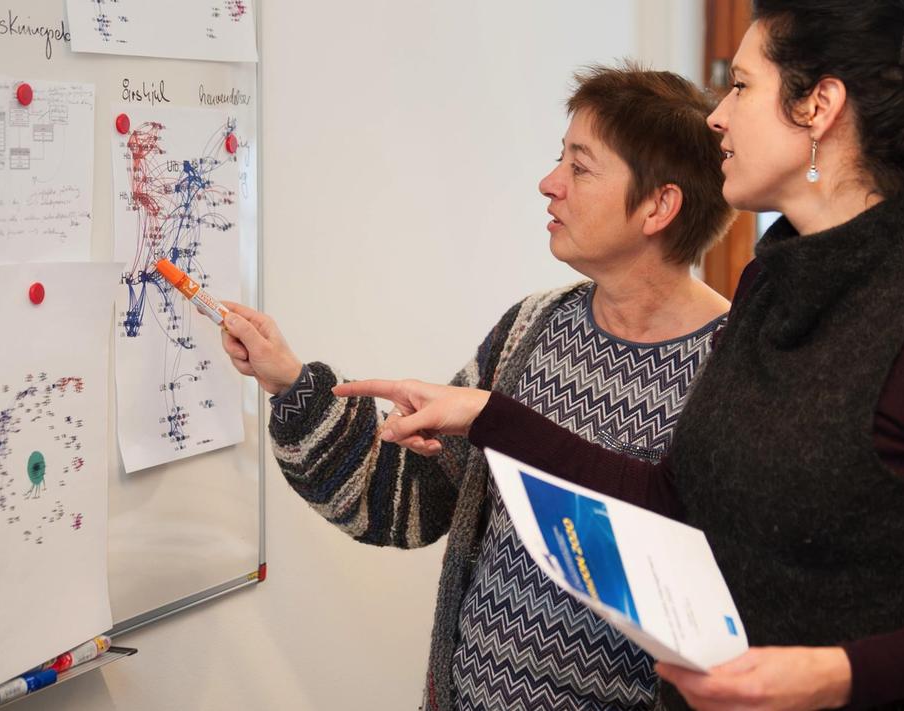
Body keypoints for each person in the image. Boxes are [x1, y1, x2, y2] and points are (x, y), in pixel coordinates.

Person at [333, 2, 904, 709]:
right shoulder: (769, 282)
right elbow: (670, 503)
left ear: (817, 105)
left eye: (741, 86)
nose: (717, 116)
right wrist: (488, 414)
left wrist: (833, 674)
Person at [222, 65, 734, 711]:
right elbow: (413, 500)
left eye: (579, 167)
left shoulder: (732, 367)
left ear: (658, 205)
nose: (549, 184)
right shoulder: (530, 327)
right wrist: (290, 384)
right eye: (559, 159)